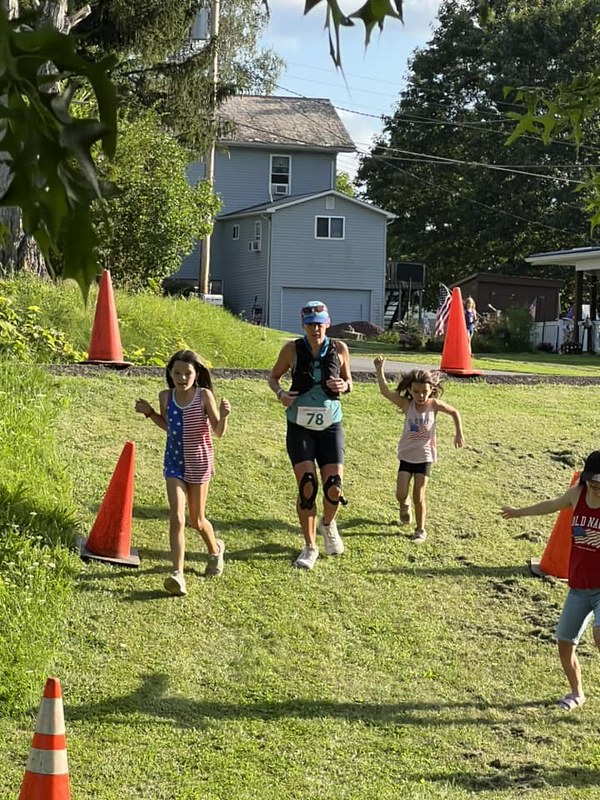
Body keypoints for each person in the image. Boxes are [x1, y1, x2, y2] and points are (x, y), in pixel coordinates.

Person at [501, 451, 600, 712]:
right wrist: (519, 512)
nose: (597, 490)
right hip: (578, 588)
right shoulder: (576, 495)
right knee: (565, 643)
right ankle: (577, 693)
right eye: (594, 485)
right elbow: (551, 505)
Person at [135, 349, 231, 595]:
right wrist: (150, 413)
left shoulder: (204, 396)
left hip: (199, 462)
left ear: (196, 373)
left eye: (187, 373)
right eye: (177, 373)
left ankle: (215, 550)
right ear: (170, 373)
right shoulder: (165, 397)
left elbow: (217, 432)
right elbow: (169, 427)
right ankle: (177, 574)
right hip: (174, 463)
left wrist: (225, 416)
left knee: (196, 520)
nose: (182, 378)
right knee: (176, 517)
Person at [268, 300, 352, 570]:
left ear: (327, 323)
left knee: (334, 486)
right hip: (300, 425)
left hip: (330, 424)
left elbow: (349, 382)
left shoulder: (339, 349)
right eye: (310, 324)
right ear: (303, 325)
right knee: (307, 485)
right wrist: (281, 394)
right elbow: (273, 377)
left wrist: (345, 385)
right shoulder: (292, 349)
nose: (315, 329)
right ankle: (310, 545)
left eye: (320, 324)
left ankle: (328, 525)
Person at [373, 359, 464, 542]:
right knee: (401, 494)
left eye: (424, 392)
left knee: (419, 495)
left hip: (424, 457)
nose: (420, 396)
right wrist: (379, 368)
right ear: (410, 390)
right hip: (407, 456)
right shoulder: (407, 405)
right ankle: (404, 505)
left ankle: (420, 529)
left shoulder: (434, 405)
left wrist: (458, 434)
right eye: (416, 392)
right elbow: (385, 391)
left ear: (431, 389)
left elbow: (455, 412)